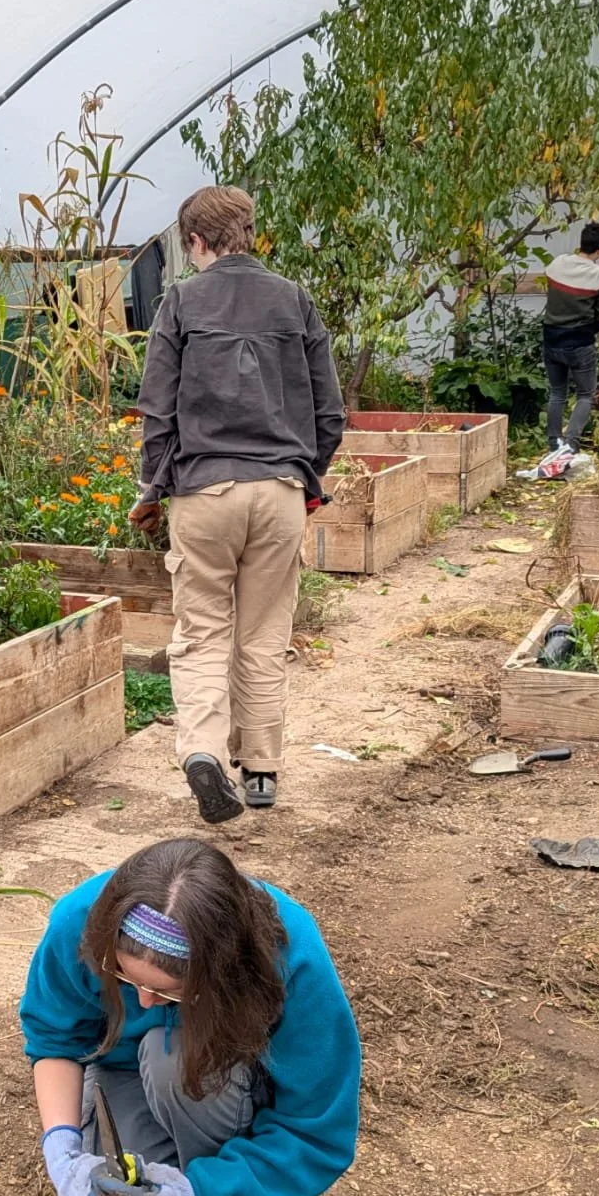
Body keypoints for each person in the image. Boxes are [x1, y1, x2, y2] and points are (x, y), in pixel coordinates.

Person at [20, 836, 361, 1196]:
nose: (143, 1002)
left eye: (170, 993)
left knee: (172, 1059)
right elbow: (55, 1041)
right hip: (125, 1081)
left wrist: (195, 1195)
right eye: (125, 979)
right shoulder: (79, 922)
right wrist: (62, 1154)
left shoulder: (289, 956)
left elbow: (316, 1132)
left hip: (224, 1091)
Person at [127, 186, 345, 822]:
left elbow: (158, 413)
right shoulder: (293, 299)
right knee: (264, 634)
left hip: (204, 491)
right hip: (279, 492)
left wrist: (152, 490)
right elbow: (329, 412)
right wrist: (305, 478)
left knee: (201, 634)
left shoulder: (181, 301)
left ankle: (202, 752)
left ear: (195, 241)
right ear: (248, 233)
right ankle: (262, 771)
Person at [533, 220, 599, 477]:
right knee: (585, 395)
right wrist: (590, 330)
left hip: (551, 338)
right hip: (580, 341)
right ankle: (570, 444)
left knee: (557, 392)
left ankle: (553, 443)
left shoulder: (557, 264)